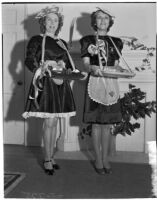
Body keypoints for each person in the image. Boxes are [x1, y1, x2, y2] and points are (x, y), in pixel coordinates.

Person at [22, 5, 76, 175]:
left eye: (55, 20)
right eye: (49, 20)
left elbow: (66, 64)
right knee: (49, 122)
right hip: (45, 83)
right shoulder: (36, 40)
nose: (52, 23)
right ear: (43, 22)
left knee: (55, 122)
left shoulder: (62, 43)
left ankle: (50, 156)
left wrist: (62, 65)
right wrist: (41, 68)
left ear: (59, 23)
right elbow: (29, 60)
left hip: (60, 83)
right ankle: (47, 159)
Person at [80, 8, 123, 175]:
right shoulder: (87, 40)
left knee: (107, 125)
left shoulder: (117, 42)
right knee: (97, 124)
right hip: (96, 82)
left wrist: (121, 69)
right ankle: (98, 159)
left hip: (111, 83)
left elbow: (117, 64)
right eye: (99, 18)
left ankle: (105, 158)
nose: (103, 21)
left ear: (110, 21)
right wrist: (92, 67)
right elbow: (85, 64)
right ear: (94, 22)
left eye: (106, 18)